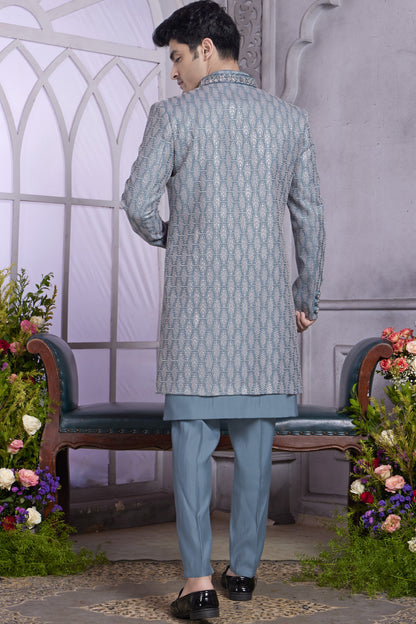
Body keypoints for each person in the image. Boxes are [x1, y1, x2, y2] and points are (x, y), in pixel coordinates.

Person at [121, 0, 325, 619]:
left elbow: (137, 202)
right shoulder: (289, 120)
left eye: (177, 57)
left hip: (196, 319)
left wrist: (172, 235)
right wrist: (305, 294)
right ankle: (243, 574)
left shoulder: (173, 116)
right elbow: (309, 218)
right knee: (256, 452)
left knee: (192, 453)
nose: (174, 72)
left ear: (206, 49)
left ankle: (197, 584)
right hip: (263, 320)